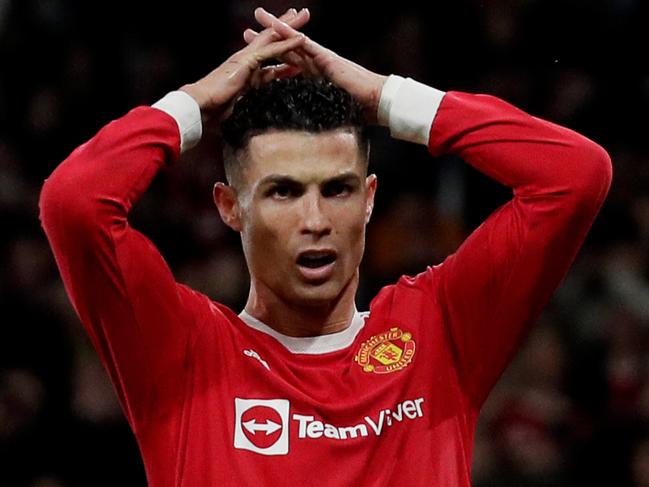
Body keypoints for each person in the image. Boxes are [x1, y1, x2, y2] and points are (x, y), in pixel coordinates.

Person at [39, 6, 612, 486]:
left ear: (368, 199)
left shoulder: (439, 330)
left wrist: (386, 98)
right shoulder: (182, 353)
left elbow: (575, 176)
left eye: (335, 189)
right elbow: (74, 202)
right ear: (229, 206)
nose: (315, 220)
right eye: (283, 192)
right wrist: (195, 104)